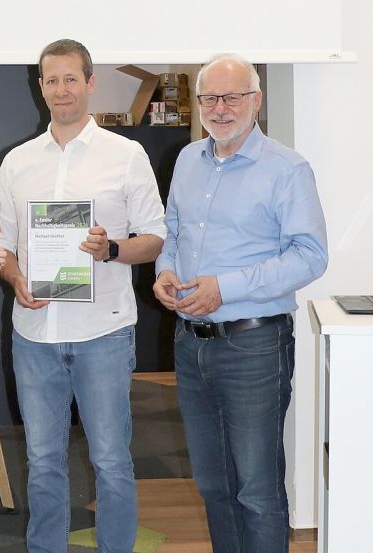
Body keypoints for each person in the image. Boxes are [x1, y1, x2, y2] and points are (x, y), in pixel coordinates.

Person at [0, 39, 167, 553]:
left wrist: (110, 248)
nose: (61, 90)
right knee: (43, 461)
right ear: (39, 86)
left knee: (111, 460)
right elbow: (2, 246)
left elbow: (155, 238)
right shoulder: (17, 162)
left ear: (90, 83)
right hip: (35, 335)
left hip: (103, 334)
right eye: (51, 80)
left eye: (71, 79)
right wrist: (16, 279)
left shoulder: (127, 156)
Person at [153, 54, 328, 553]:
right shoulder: (187, 161)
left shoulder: (288, 169)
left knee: (257, 490)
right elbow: (173, 233)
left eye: (233, 97)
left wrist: (224, 287)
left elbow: (311, 257)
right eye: (210, 98)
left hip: (255, 346)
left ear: (257, 100)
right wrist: (165, 271)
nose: (221, 108)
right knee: (213, 485)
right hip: (191, 346)